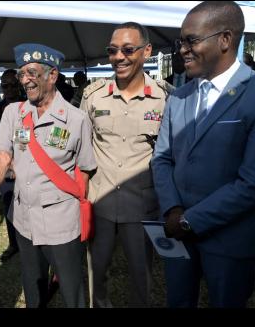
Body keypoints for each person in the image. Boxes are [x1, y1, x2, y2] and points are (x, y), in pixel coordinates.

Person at [151, 1, 255, 308]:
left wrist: (189, 220)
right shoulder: (179, 96)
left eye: (191, 40)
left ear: (225, 39)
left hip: (229, 239)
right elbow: (162, 158)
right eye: (180, 41)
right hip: (178, 234)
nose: (182, 49)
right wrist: (172, 209)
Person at [0, 43, 96, 308]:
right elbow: (2, 158)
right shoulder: (13, 113)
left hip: (61, 226)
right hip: (24, 222)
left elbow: (84, 171)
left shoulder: (76, 120)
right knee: (33, 290)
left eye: (31, 72)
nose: (25, 79)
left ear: (52, 76)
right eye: (21, 74)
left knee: (72, 291)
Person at [80, 21, 173, 307]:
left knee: (141, 276)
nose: (119, 57)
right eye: (113, 50)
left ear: (146, 52)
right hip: (102, 205)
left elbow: (171, 155)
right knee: (96, 274)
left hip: (142, 208)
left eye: (128, 49)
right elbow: (82, 150)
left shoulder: (165, 97)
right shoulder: (93, 96)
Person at [0, 69, 25, 263]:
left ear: (20, 86)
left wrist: (20, 163)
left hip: (28, 167)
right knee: (9, 204)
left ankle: (30, 242)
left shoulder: (29, 106)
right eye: (4, 85)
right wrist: (7, 165)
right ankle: (13, 244)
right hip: (5, 169)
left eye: (12, 85)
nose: (8, 89)